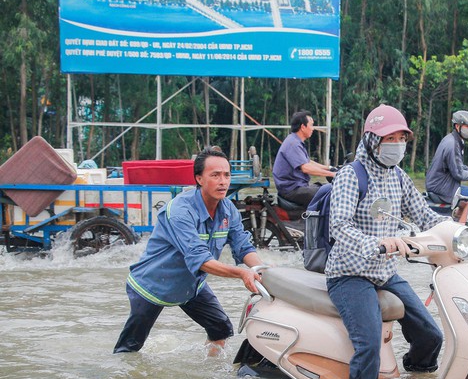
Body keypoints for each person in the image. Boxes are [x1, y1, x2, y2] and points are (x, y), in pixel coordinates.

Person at [326, 104, 447, 379]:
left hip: (385, 272)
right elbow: (338, 227)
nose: (396, 145)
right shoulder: (350, 175)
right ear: (372, 140)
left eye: (401, 139)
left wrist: (457, 230)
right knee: (369, 347)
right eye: (389, 139)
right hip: (349, 274)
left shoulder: (399, 177)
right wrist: (376, 243)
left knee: (431, 335)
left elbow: (425, 215)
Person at [114, 147, 265, 355]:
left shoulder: (228, 209)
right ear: (199, 179)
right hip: (152, 284)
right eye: (215, 175)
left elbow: (243, 246)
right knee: (129, 350)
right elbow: (201, 260)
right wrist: (242, 273)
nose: (223, 181)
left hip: (190, 285)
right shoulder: (180, 211)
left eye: (226, 175)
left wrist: (263, 269)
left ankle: (208, 376)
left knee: (220, 329)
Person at [425, 110, 468, 223]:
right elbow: (458, 174)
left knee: (466, 203)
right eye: (467, 126)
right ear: (457, 126)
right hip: (442, 187)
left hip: (439, 184)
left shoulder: (453, 139)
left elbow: (458, 165)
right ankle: (460, 230)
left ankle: (456, 220)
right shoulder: (452, 144)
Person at [272, 110, 336, 207]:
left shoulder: (295, 141)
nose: (313, 129)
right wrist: (332, 174)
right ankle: (322, 221)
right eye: (311, 125)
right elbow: (306, 168)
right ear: (303, 127)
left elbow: (308, 162)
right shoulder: (293, 143)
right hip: (292, 190)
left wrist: (330, 168)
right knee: (330, 193)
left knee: (326, 187)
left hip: (297, 187)